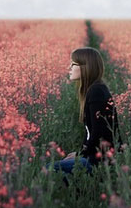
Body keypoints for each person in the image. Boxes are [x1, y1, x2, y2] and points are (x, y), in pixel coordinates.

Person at [45, 47, 123, 187]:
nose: (69, 67)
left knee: (46, 171)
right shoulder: (95, 89)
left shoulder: (96, 91)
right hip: (97, 157)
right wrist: (80, 153)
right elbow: (91, 134)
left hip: (100, 161)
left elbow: (98, 134)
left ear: (86, 67)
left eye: (73, 64)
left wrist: (81, 155)